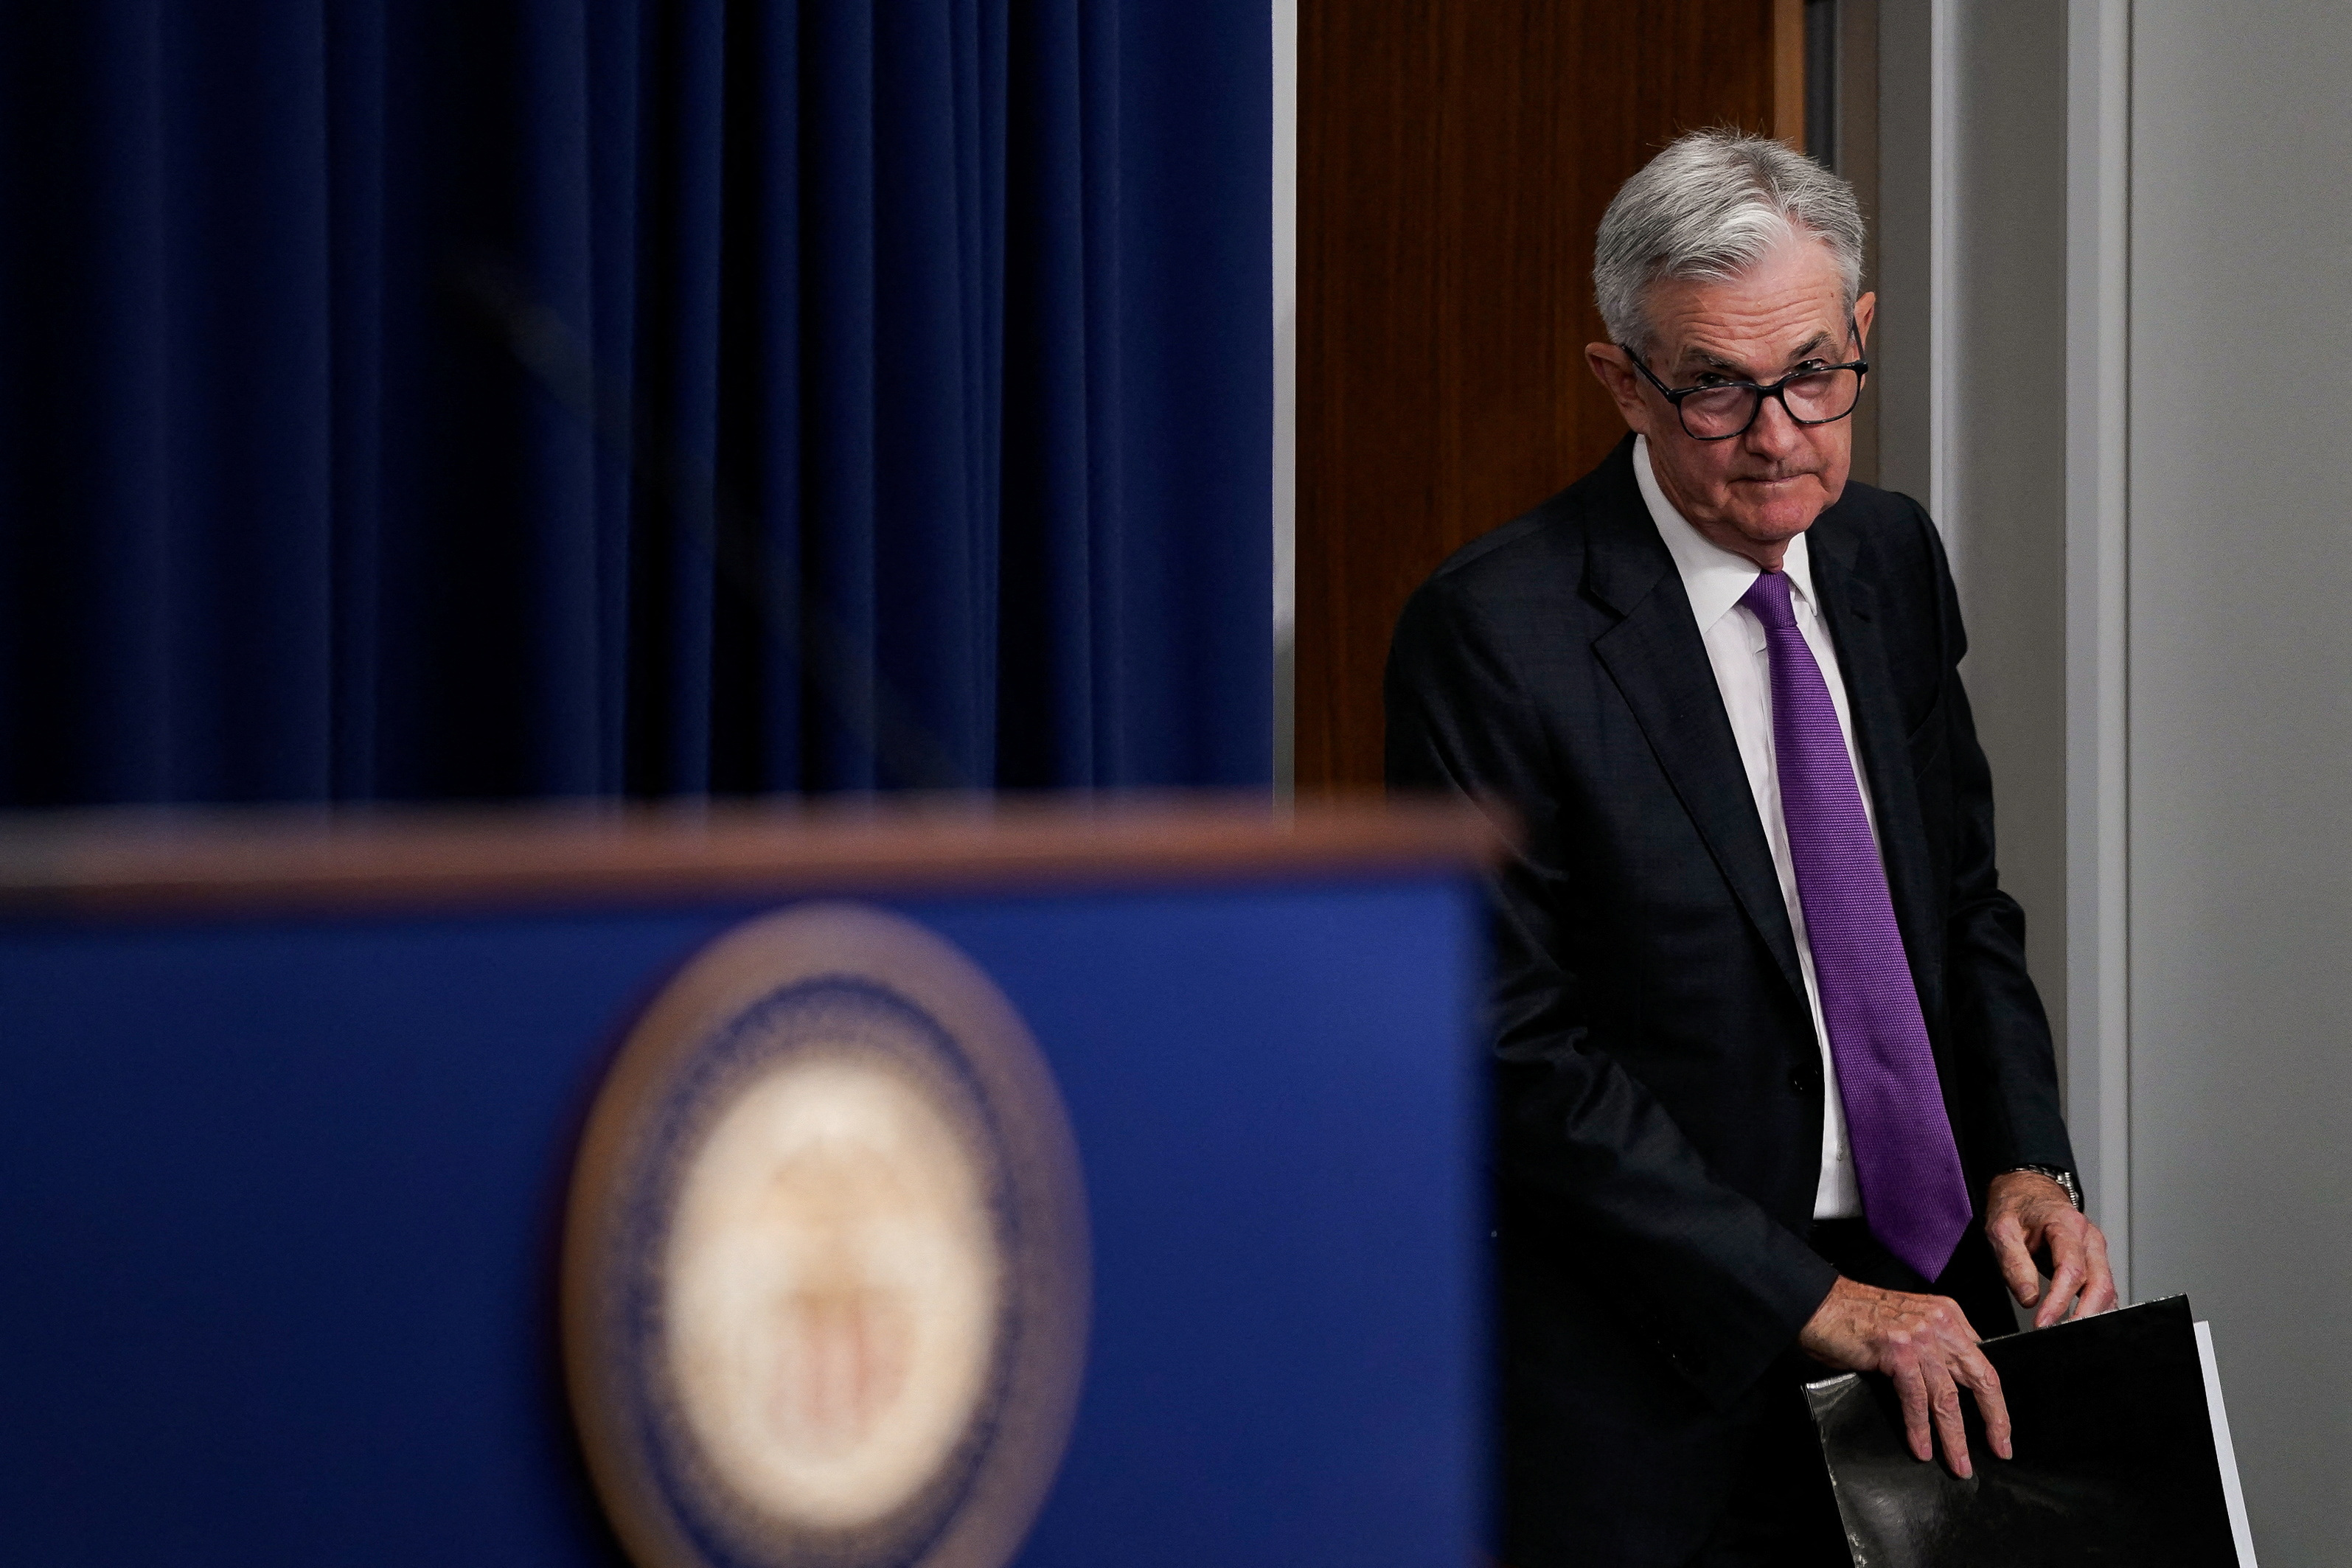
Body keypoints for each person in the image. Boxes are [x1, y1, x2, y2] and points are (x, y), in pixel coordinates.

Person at [1385, 131, 2116, 1567]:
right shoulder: (1492, 633)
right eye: (1714, 386)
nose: (1776, 433)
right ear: (1621, 380)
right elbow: (1509, 1045)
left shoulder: (1886, 558)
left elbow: (1958, 902)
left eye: (1808, 373)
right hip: (1653, 1375)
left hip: (1934, 1326)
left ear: (1855, 337)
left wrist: (2026, 1154)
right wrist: (1813, 1294)